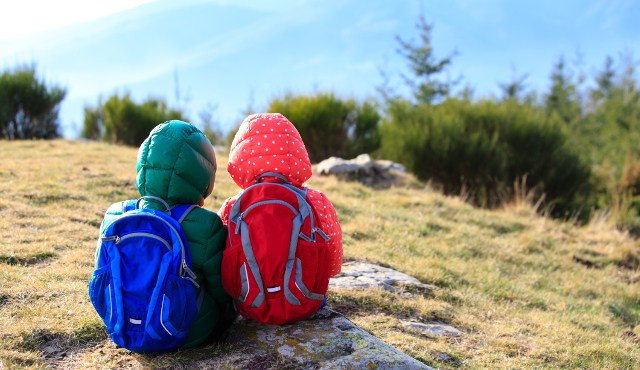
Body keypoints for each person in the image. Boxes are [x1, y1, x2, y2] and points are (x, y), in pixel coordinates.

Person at [100, 120, 233, 348]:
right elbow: (220, 288)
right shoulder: (206, 224)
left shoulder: (116, 215)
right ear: (202, 175)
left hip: (123, 327)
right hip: (188, 332)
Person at [218, 113, 342, 322]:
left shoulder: (232, 206)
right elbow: (332, 254)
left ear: (239, 156)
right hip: (306, 301)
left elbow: (225, 255)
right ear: (297, 151)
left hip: (249, 304)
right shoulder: (315, 199)